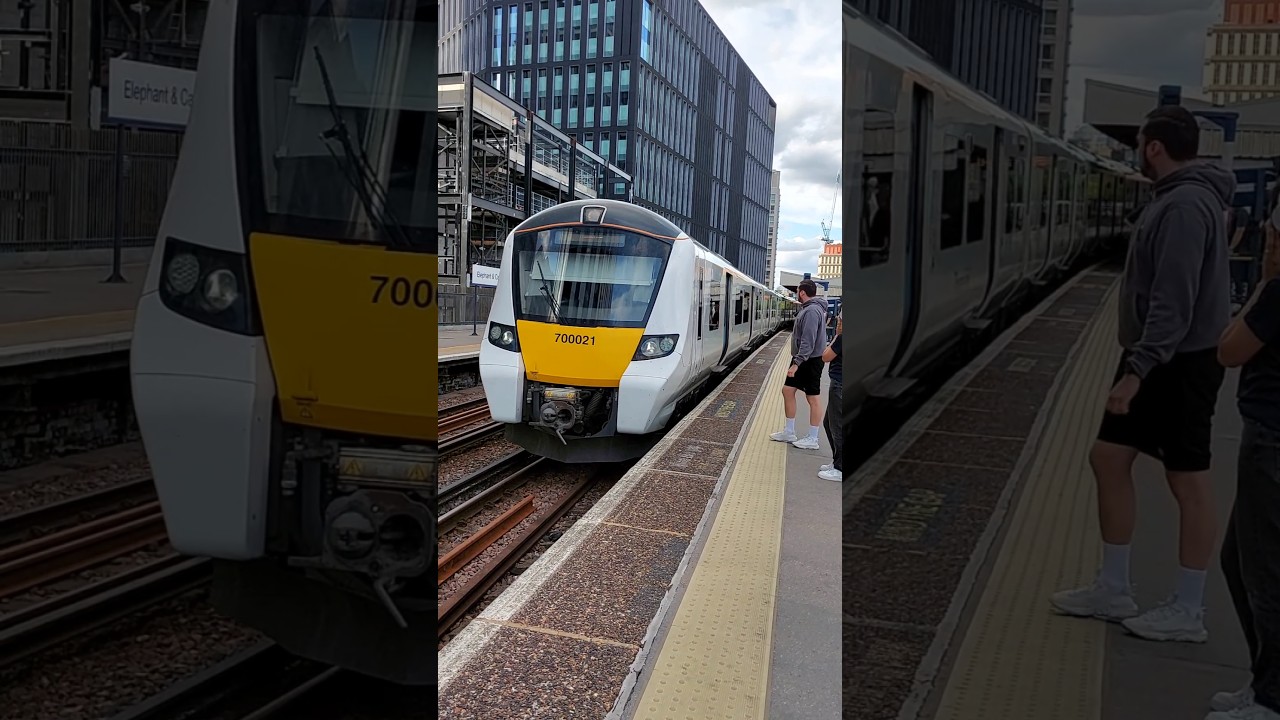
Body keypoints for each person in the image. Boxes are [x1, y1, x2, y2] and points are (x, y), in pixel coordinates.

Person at [1049, 105, 1234, 643]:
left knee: (1188, 478)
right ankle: (1113, 587)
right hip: (1160, 355)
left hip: (1179, 361)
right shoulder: (1185, 201)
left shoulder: (1183, 206)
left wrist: (1138, 371)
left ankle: (1189, 610)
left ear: (1154, 147)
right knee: (1108, 457)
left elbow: (1173, 300)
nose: (1138, 154)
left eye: (1141, 145)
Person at [1208, 187, 1280, 720]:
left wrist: (1263, 286)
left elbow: (1229, 349)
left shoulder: (1279, 294)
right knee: (1240, 558)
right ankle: (1263, 681)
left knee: (1262, 568)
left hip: (1270, 439)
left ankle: (1271, 696)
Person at [771, 279, 827, 450]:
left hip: (809, 360)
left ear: (802, 292)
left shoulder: (811, 311)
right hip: (804, 358)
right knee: (787, 390)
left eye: (797, 291)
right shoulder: (811, 309)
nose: (797, 294)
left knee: (813, 397)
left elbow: (808, 341)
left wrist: (797, 363)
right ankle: (789, 431)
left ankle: (813, 438)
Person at [818, 313, 842, 482]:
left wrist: (837, 336)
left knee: (837, 426)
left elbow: (825, 356)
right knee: (829, 423)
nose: (838, 322)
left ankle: (841, 468)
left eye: (840, 320)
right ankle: (837, 461)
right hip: (840, 383)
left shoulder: (842, 338)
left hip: (840, 384)